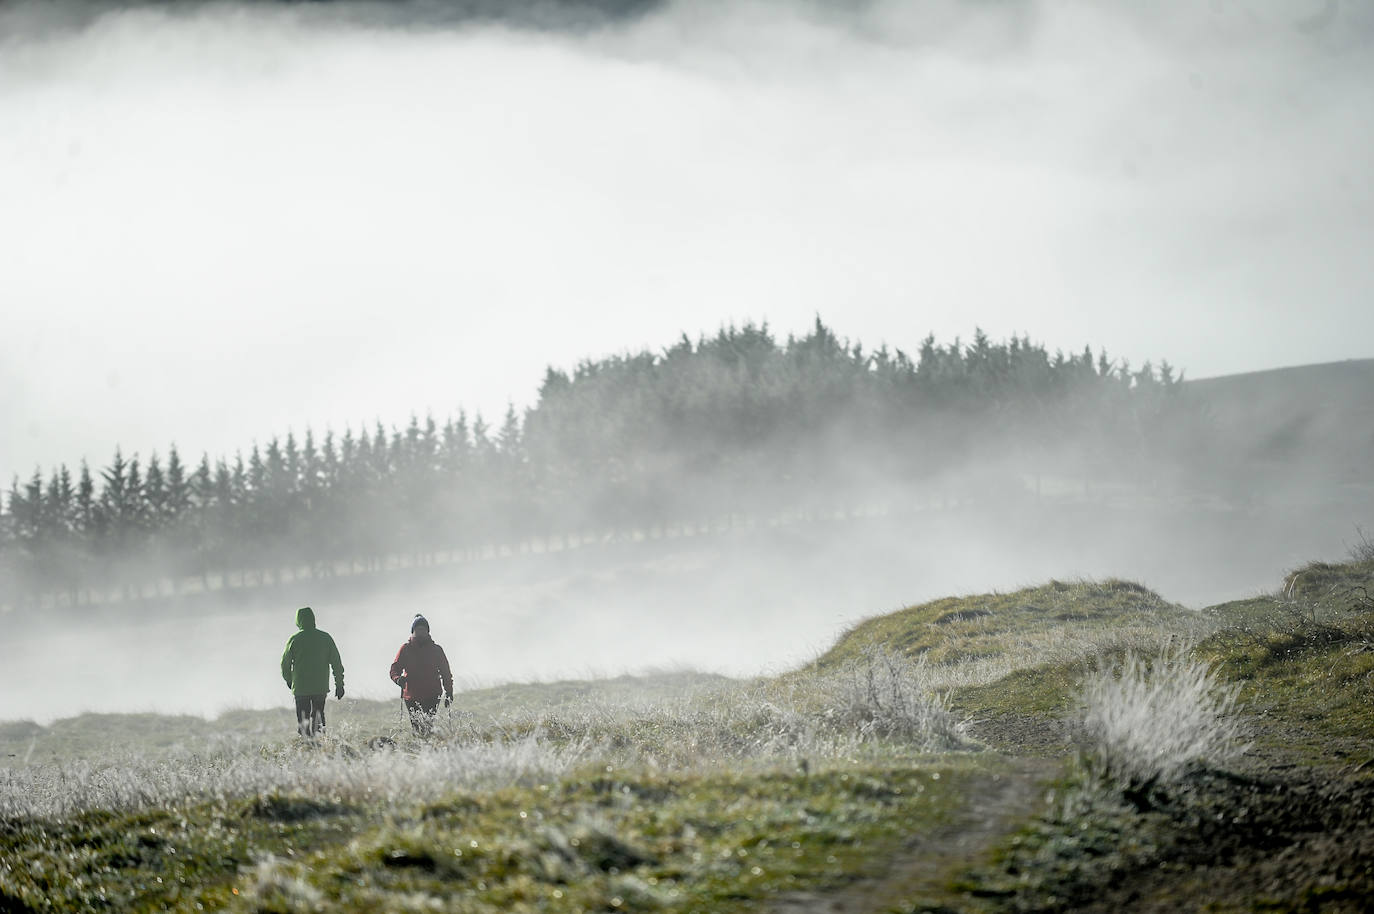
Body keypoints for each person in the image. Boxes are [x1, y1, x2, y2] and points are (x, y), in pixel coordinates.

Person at [280, 605, 345, 738]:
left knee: (303, 722)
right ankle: (320, 747)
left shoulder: (294, 639)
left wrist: (289, 680)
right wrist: (339, 684)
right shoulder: (325, 637)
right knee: (318, 718)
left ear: (298, 620)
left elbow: (284, 663)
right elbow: (336, 663)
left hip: (301, 688)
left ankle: (306, 746)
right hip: (320, 687)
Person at [389, 614, 454, 736]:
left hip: (432, 695)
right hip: (411, 696)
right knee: (417, 728)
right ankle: (422, 750)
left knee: (428, 726)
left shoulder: (436, 650)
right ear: (412, 631)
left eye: (423, 629)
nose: (420, 632)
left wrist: (449, 692)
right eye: (417, 629)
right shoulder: (405, 649)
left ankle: (427, 750)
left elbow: (446, 673)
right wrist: (398, 679)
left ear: (427, 631)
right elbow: (394, 669)